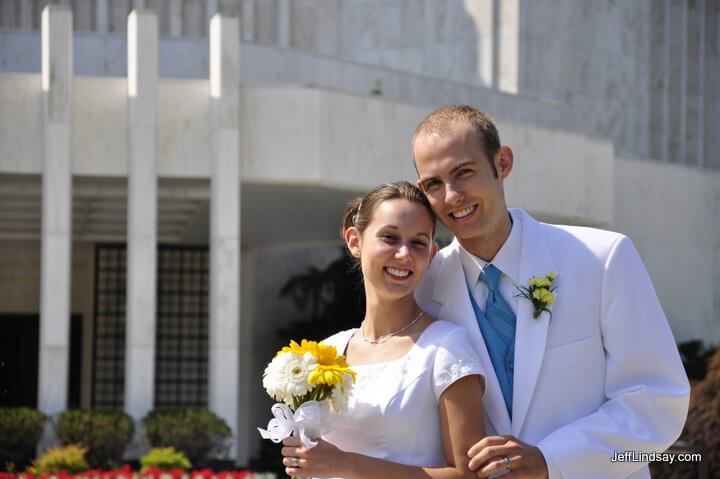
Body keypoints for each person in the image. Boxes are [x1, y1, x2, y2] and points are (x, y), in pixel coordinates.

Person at [411, 105, 691, 478]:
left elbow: (657, 400)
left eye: (464, 172)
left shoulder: (603, 258)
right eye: (433, 184)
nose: (451, 197)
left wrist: (551, 460)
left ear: (503, 163)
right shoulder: (424, 288)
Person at [280, 181, 487, 478]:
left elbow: (469, 475)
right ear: (355, 241)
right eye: (390, 237)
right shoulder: (326, 353)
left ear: (431, 255)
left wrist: (347, 465)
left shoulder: (446, 348)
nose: (404, 254)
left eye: (418, 243)